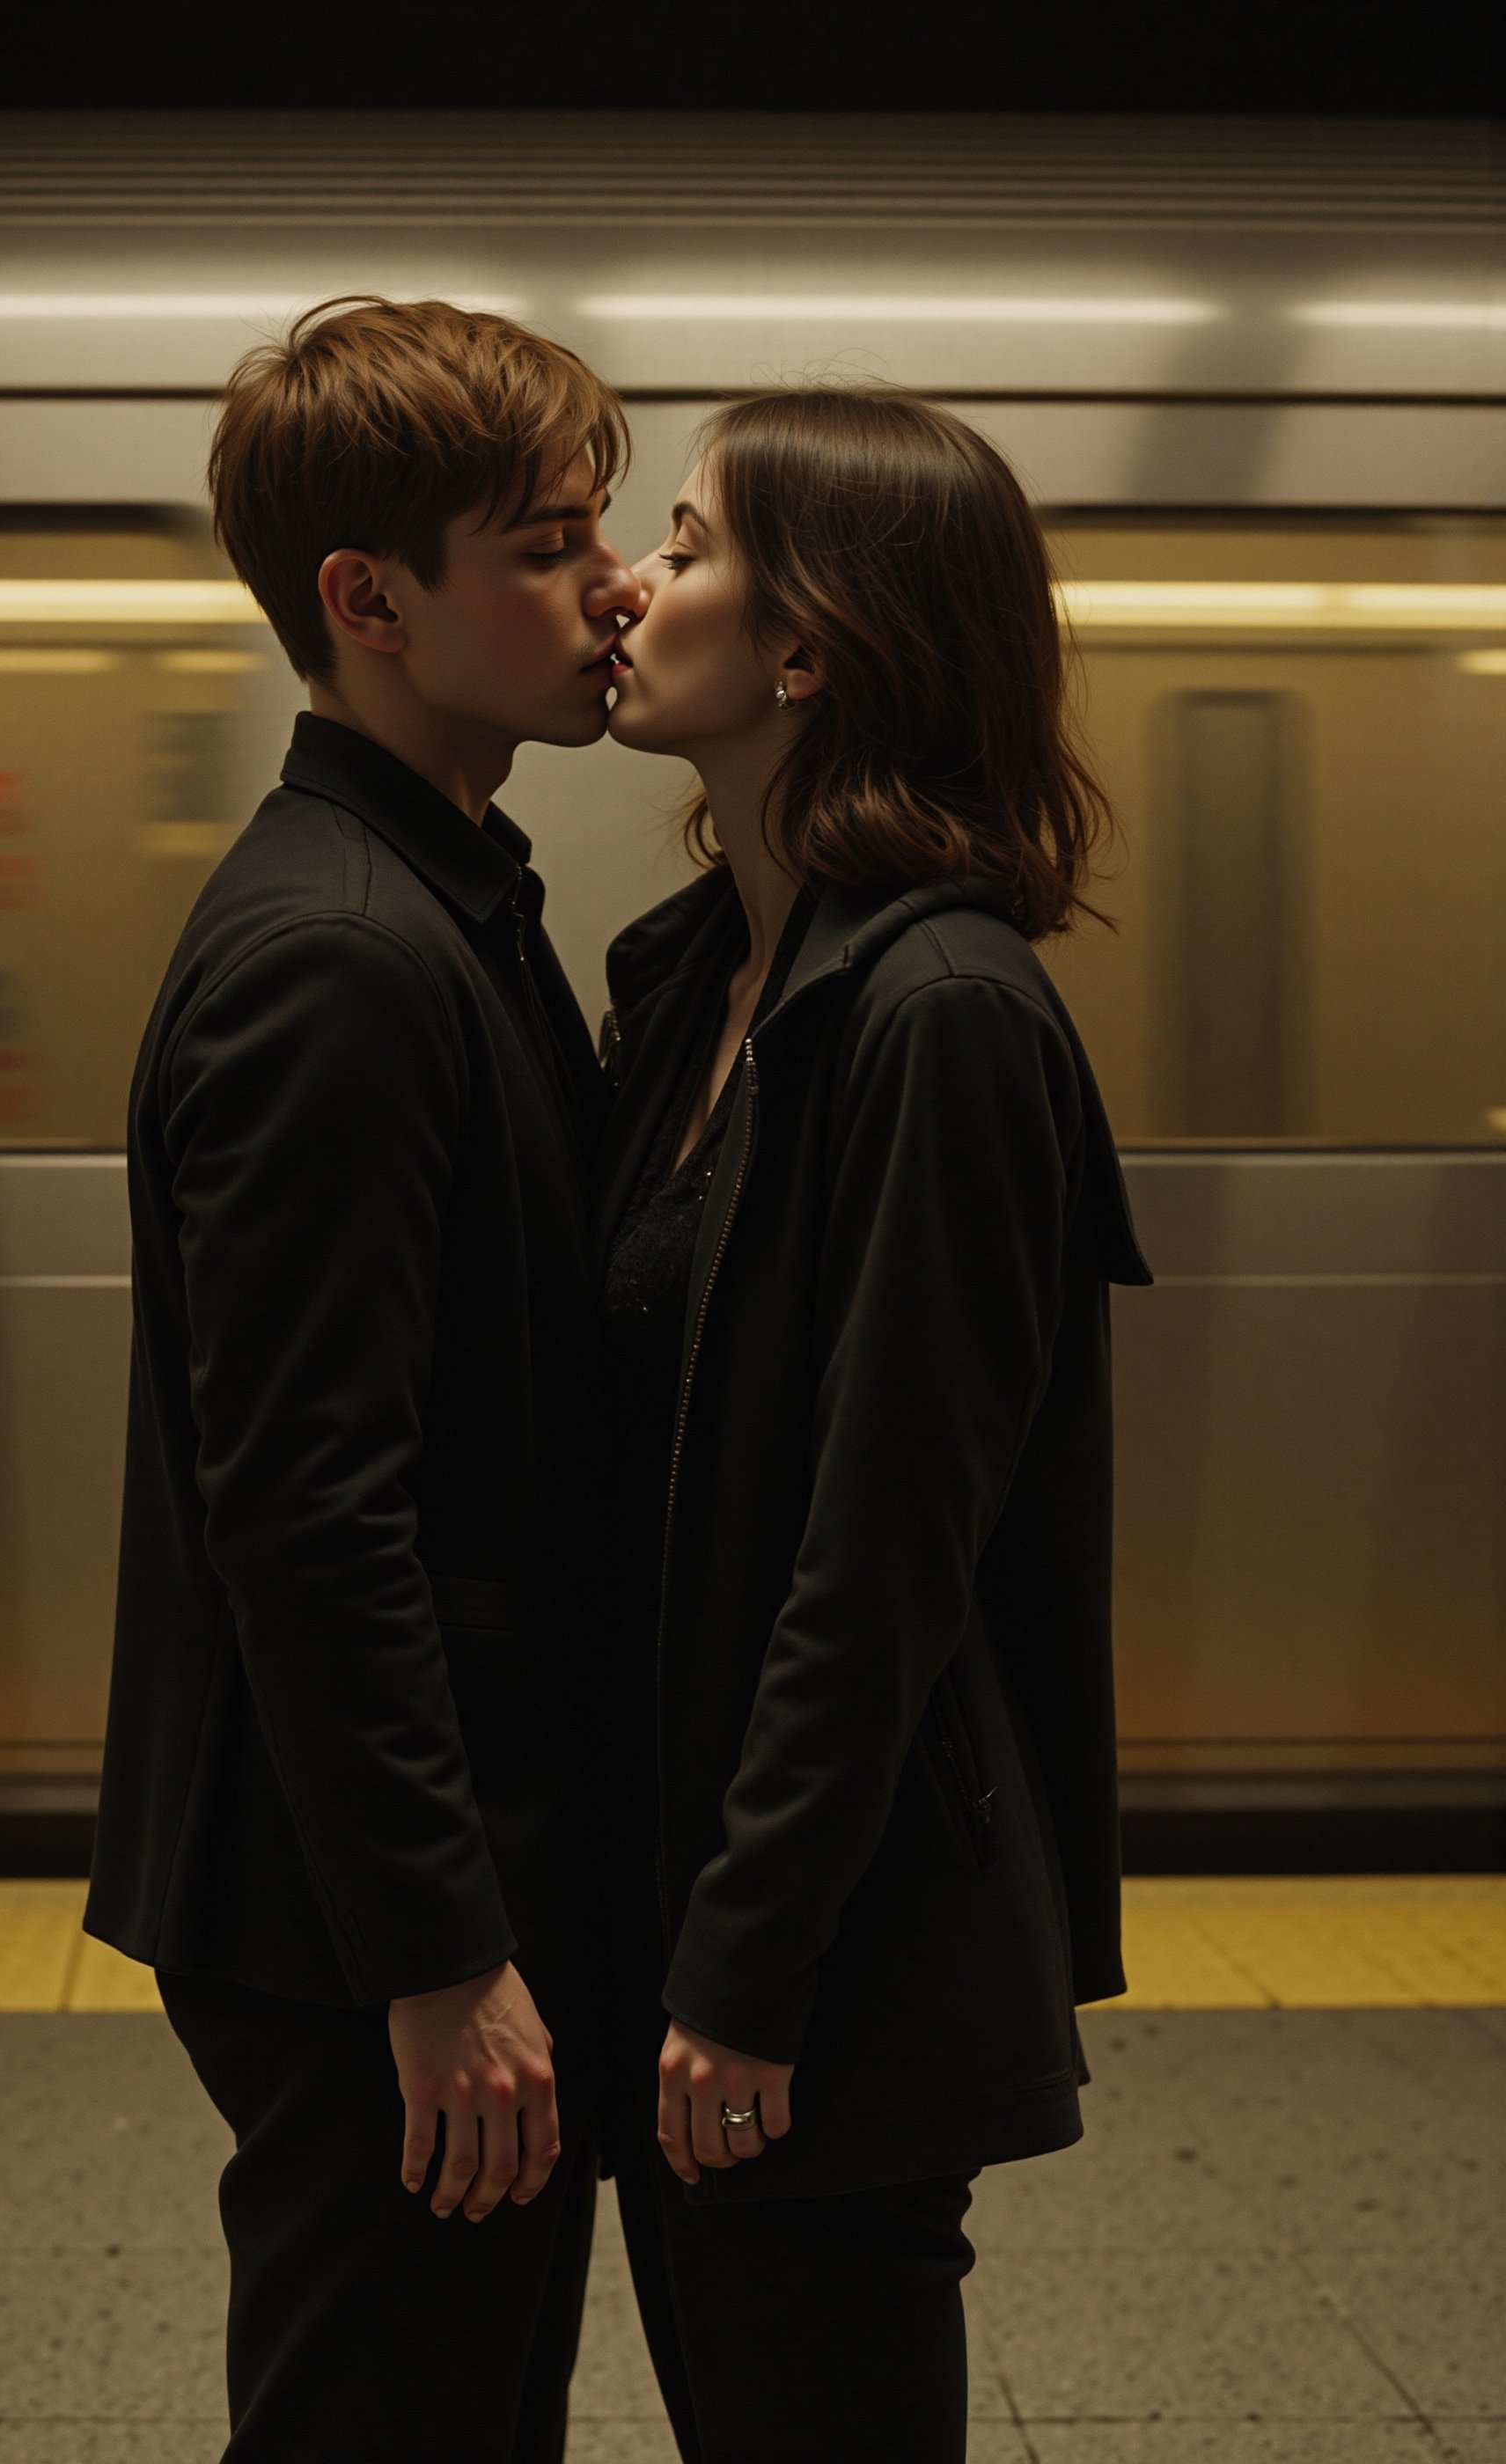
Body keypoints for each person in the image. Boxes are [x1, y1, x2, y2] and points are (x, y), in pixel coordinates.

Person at [84, 296, 646, 2464]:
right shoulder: (341, 957)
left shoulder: (435, 898)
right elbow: (312, 1502)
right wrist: (441, 1952)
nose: (610, 588)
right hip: (361, 1919)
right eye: (543, 542)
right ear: (368, 600)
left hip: (403, 1884)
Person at [596, 389, 1153, 2464]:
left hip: (827, 1953)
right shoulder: (697, 990)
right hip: (709, 1913)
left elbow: (881, 1555)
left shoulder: (941, 1020)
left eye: (688, 541)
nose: (631, 585)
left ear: (809, 646)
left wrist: (743, 1968)